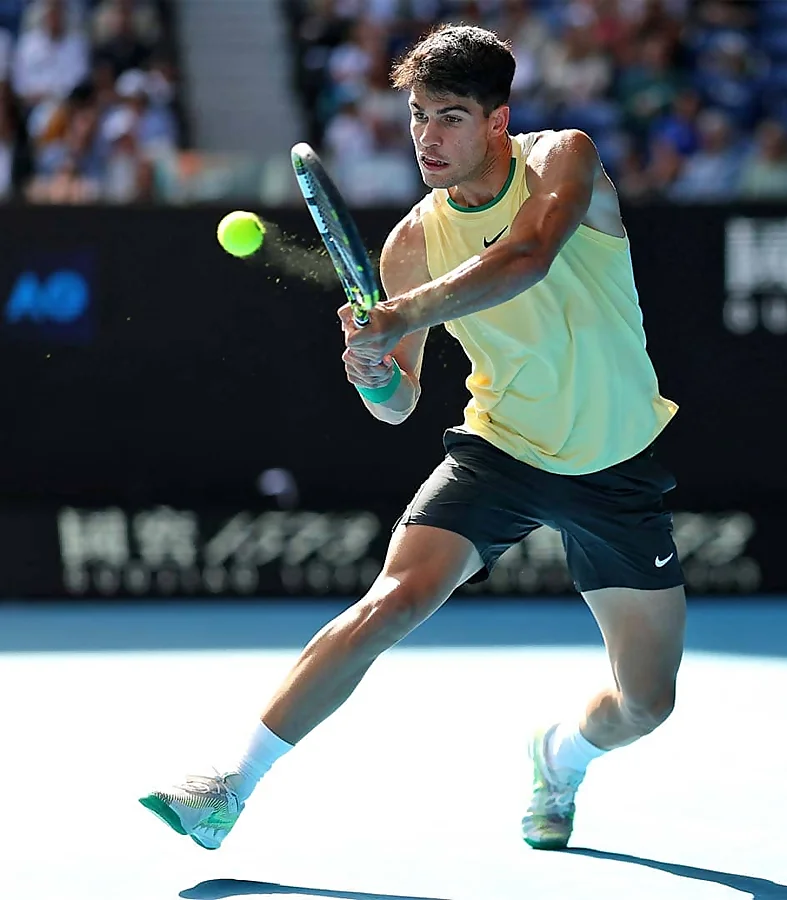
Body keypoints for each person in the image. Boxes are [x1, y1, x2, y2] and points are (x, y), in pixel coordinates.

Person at [137, 23, 686, 854]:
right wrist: (372, 369)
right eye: (419, 115)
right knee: (392, 599)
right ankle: (228, 783)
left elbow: (530, 255)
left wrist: (397, 316)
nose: (428, 136)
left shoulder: (563, 159)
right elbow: (400, 404)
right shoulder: (409, 246)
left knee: (646, 703)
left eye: (452, 117)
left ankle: (560, 755)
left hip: (616, 466)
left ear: (498, 122)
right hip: (501, 450)